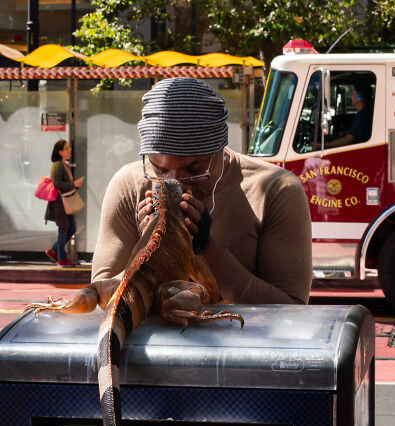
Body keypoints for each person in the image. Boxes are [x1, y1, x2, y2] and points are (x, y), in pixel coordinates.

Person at [91, 77, 312, 304]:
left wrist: (207, 249)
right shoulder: (130, 185)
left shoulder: (276, 191)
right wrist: (148, 246)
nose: (176, 182)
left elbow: (291, 309)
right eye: (160, 169)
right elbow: (102, 298)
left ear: (220, 150)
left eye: (194, 169)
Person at [44, 139, 83, 267]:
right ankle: (61, 259)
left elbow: (63, 185)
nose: (69, 150)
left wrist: (74, 186)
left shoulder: (63, 164)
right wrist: (73, 184)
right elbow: (56, 183)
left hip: (65, 204)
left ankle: (54, 251)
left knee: (71, 228)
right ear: (60, 152)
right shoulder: (58, 165)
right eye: (66, 148)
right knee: (64, 229)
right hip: (60, 204)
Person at [324, 83, 373, 149]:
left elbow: (347, 140)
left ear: (359, 96)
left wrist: (324, 145)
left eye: (353, 93)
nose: (350, 96)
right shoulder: (365, 112)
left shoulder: (363, 116)